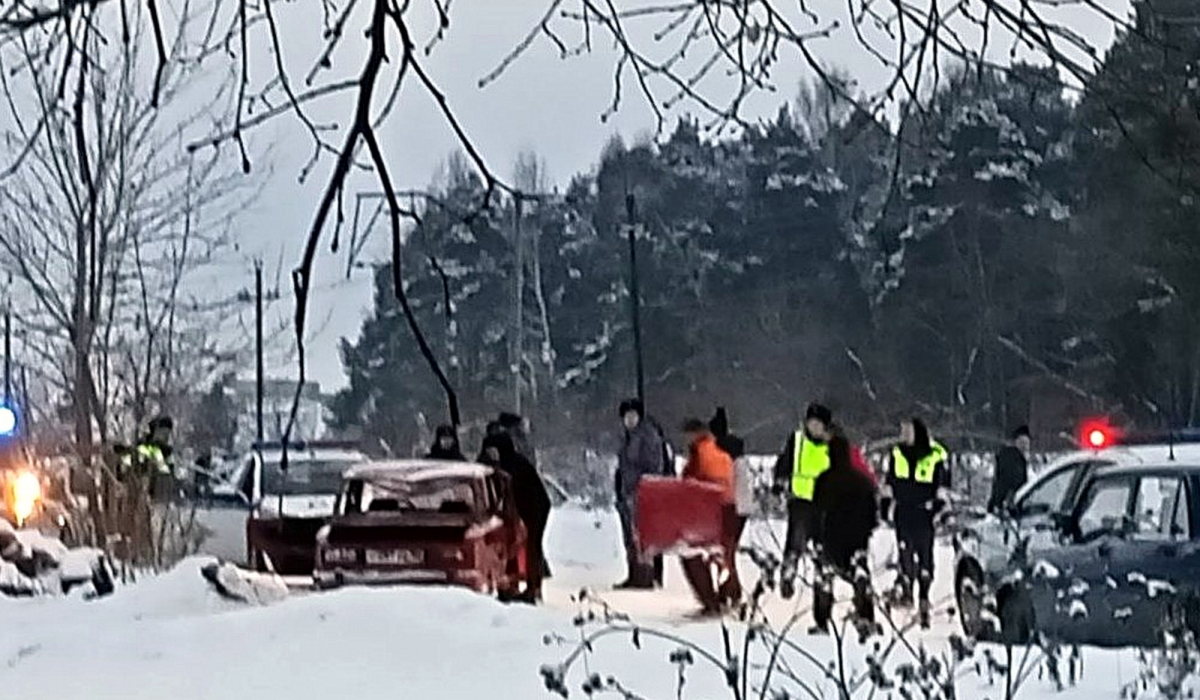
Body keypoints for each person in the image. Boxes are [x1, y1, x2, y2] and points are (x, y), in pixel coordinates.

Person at [884, 417, 949, 628]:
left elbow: (942, 484)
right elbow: (890, 480)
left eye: (907, 431)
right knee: (905, 551)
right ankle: (907, 590)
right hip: (904, 510)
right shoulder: (897, 453)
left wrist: (939, 505)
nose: (903, 435)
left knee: (925, 554)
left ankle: (924, 596)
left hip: (924, 512)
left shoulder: (935, 455)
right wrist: (886, 503)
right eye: (902, 430)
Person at [811, 433, 879, 635]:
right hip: (858, 538)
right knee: (860, 575)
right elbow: (873, 513)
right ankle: (866, 617)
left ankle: (822, 620)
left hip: (832, 536)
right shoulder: (863, 481)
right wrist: (867, 531)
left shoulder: (824, 480)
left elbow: (817, 510)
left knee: (823, 577)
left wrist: (816, 537)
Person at [479, 432, 551, 604]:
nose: (491, 454)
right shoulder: (505, 463)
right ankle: (518, 585)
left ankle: (533, 588)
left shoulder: (513, 464)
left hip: (535, 508)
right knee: (520, 546)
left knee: (532, 546)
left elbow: (511, 492)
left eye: (493, 450)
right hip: (523, 508)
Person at [772, 403, 834, 600]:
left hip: (824, 505)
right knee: (795, 542)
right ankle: (788, 576)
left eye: (818, 424)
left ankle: (823, 583)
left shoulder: (833, 445)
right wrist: (780, 482)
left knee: (822, 548)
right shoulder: (797, 440)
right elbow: (784, 463)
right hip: (800, 501)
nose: (813, 427)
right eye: (811, 423)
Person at [679, 417, 735, 616]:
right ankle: (728, 595)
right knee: (721, 555)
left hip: (707, 510)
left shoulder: (702, 452)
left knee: (693, 556)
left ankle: (711, 600)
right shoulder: (715, 450)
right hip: (723, 508)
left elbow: (703, 481)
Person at [614, 399, 666, 590]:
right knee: (630, 535)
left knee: (642, 535)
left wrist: (643, 488)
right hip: (627, 493)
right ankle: (634, 572)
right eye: (626, 416)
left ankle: (645, 575)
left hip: (643, 493)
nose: (629, 419)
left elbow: (653, 466)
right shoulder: (627, 437)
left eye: (633, 415)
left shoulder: (648, 436)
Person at [709, 407, 748, 607]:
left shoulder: (721, 454)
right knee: (727, 551)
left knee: (724, 552)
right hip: (741, 506)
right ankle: (729, 590)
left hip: (729, 506)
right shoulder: (737, 452)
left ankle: (731, 591)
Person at [988, 426, 1031, 514]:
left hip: (1001, 502)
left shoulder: (1009, 455)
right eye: (1023, 443)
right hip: (1008, 504)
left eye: (1027, 443)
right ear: (1016, 442)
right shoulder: (1013, 458)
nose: (1026, 446)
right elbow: (1013, 482)